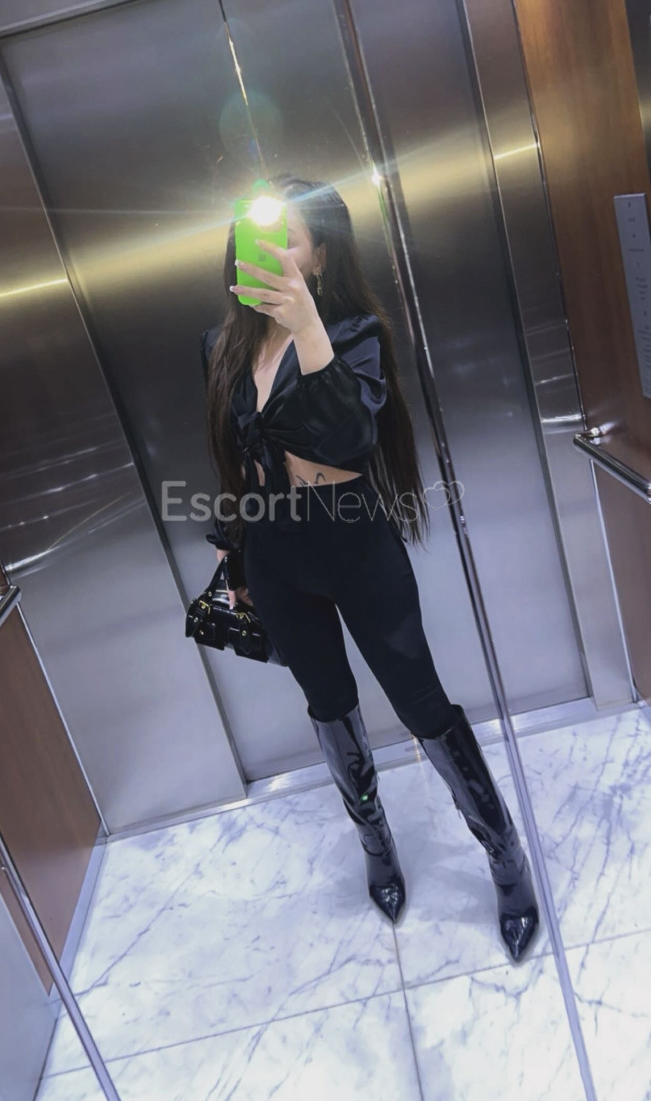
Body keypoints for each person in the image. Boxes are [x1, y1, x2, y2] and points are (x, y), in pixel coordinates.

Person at [199, 173, 539, 962]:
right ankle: (376, 847)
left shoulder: (352, 335)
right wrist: (230, 540)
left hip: (354, 546)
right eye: (254, 239)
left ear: (319, 257)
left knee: (423, 706)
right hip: (274, 554)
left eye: (288, 240)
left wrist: (306, 327)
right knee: (327, 706)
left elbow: (350, 438)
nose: (269, 254)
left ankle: (504, 857)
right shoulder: (219, 346)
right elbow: (233, 455)